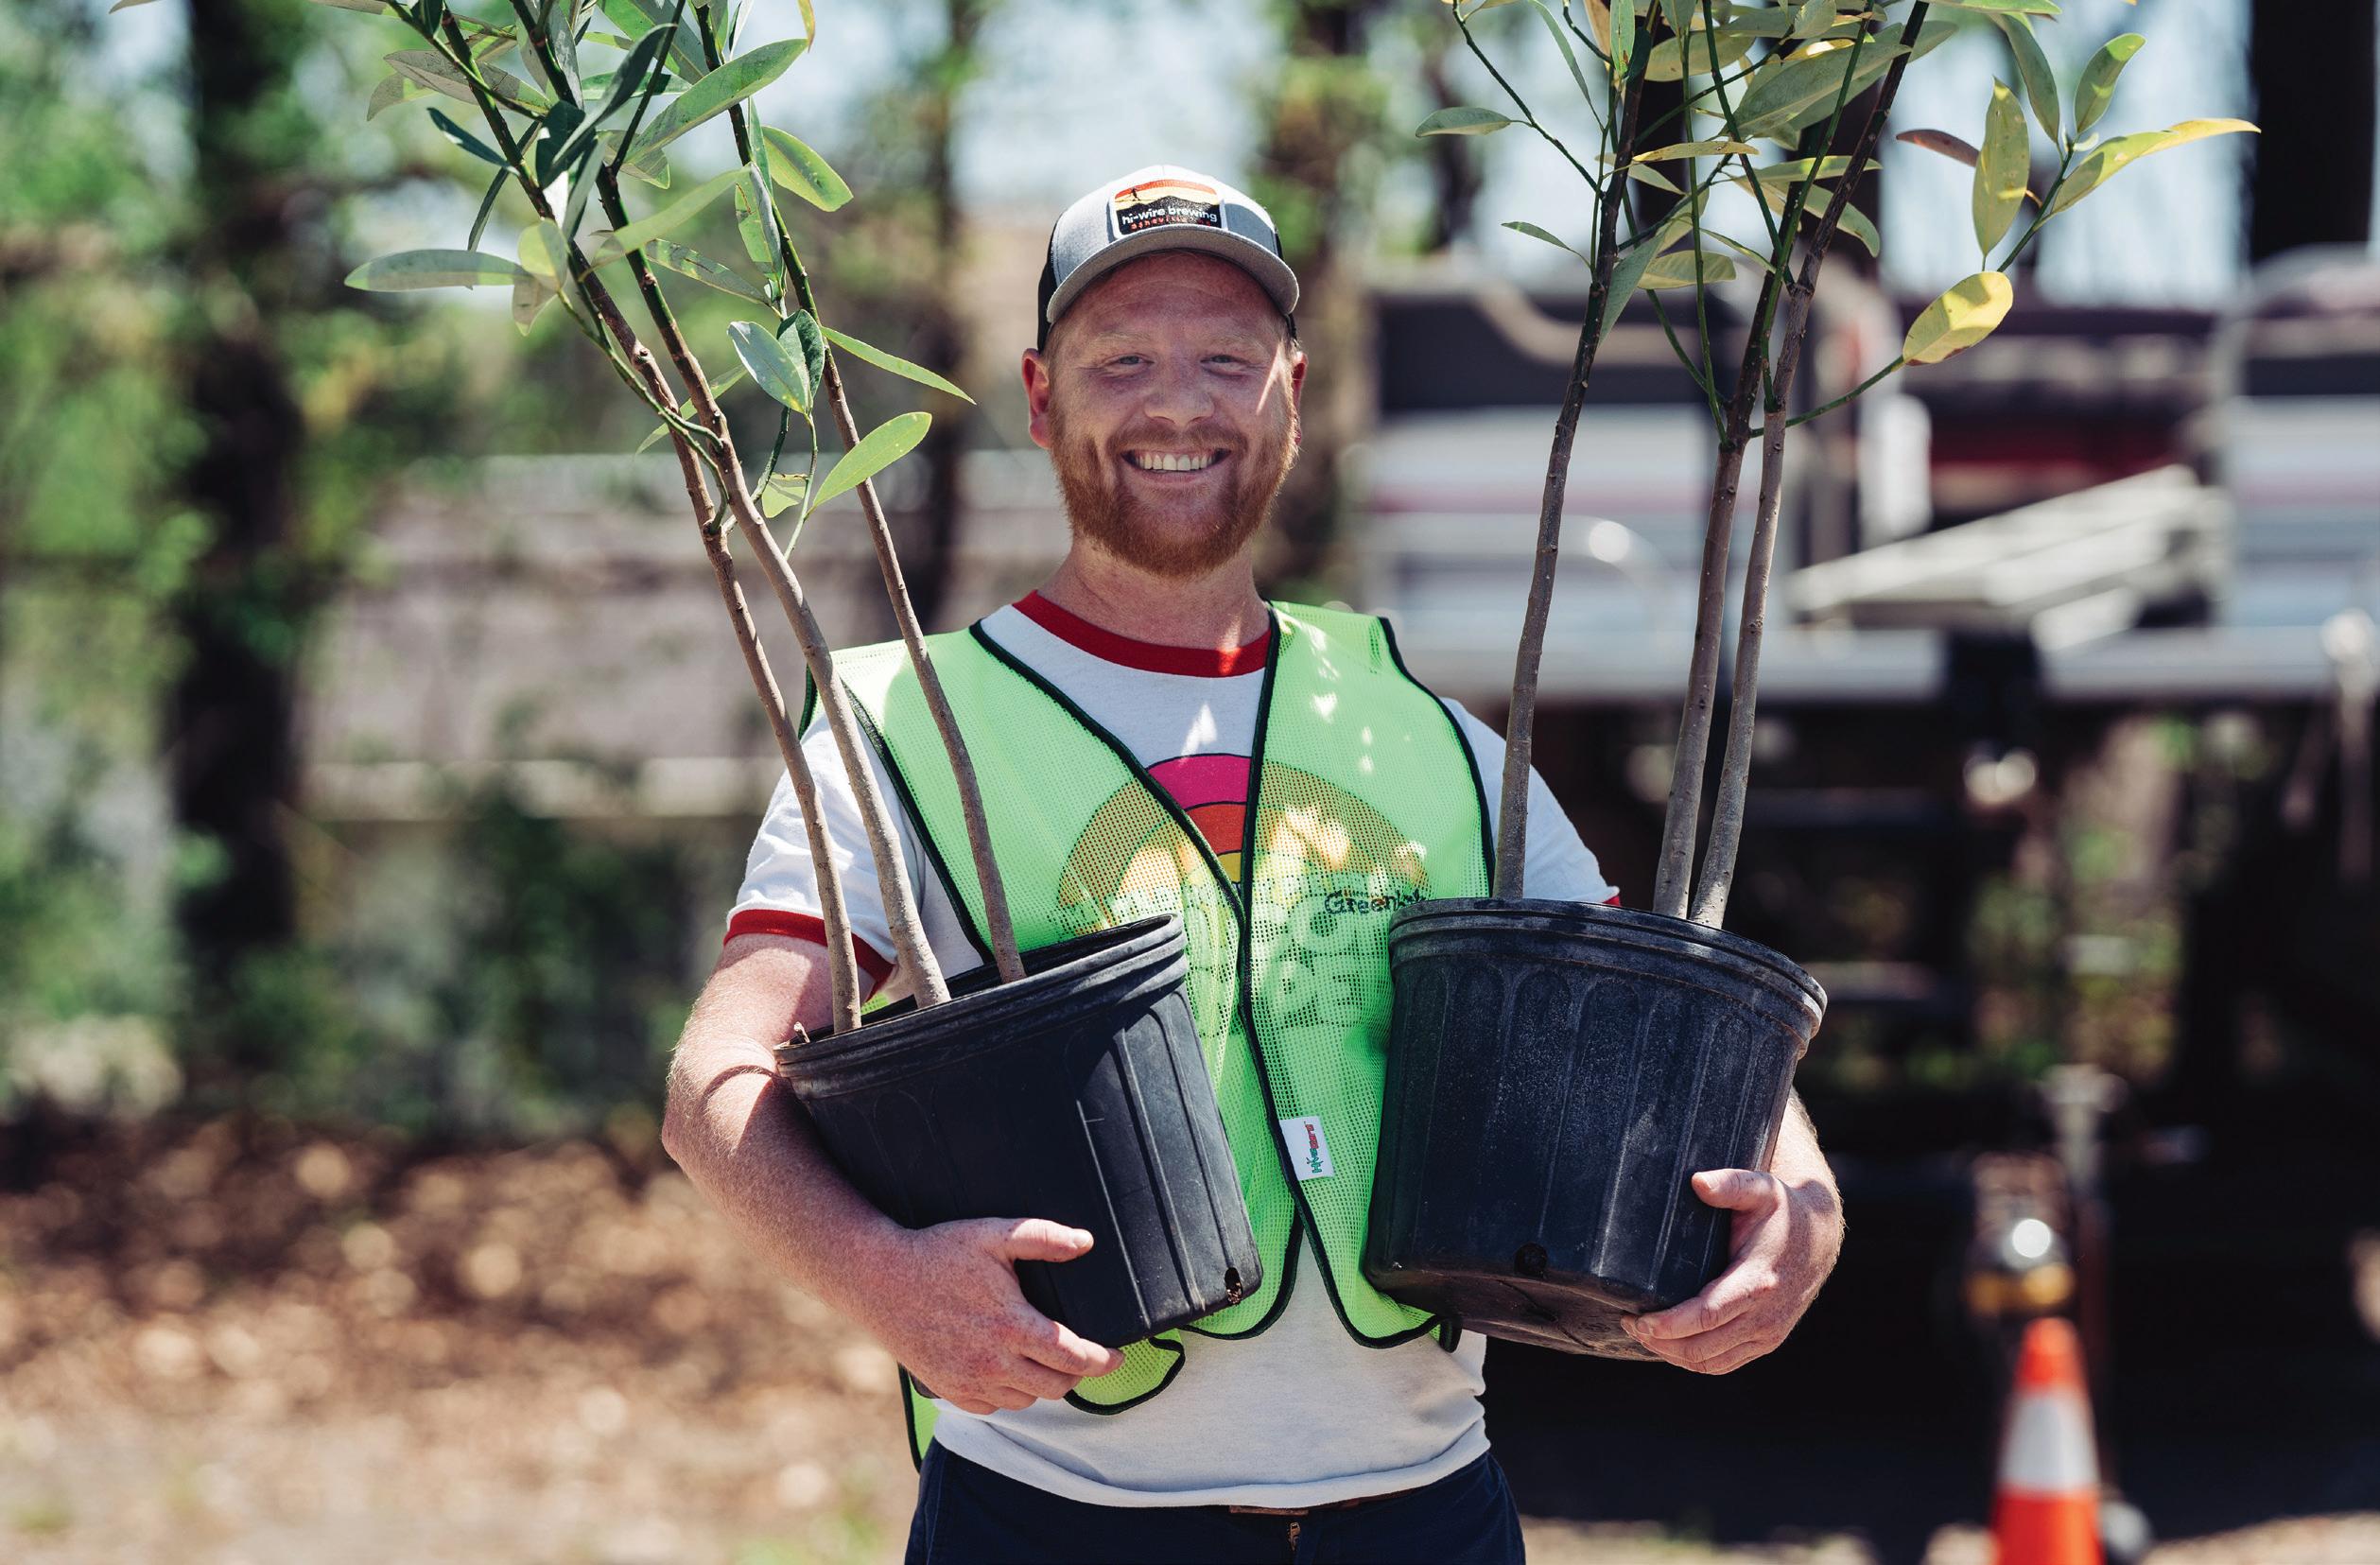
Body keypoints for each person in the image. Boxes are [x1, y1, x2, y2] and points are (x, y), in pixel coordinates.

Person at [660, 165, 1846, 1564]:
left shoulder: (1423, 729)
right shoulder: (901, 724)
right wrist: (881, 1278)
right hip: (1054, 1525)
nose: (1178, 405)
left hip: (1428, 1520)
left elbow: (1657, 1017)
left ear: (1289, 390)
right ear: (1040, 398)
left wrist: (1801, 1206)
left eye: (1226, 359)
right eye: (1123, 360)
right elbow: (714, 1080)